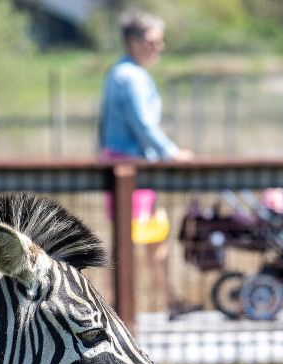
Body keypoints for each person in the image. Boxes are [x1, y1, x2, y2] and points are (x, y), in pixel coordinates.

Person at [98, 9, 198, 320]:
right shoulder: (130, 77)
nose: (159, 46)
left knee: (154, 237)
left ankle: (169, 301)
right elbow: (143, 125)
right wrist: (172, 153)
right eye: (153, 41)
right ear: (133, 41)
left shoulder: (123, 73)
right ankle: (112, 308)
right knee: (128, 245)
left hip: (135, 170)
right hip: (131, 172)